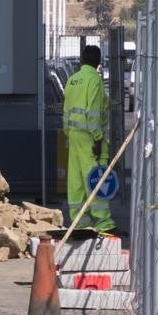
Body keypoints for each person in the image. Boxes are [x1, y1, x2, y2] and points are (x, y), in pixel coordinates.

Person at [63, 44, 115, 233]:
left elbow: (67, 109)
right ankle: (103, 221)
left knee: (76, 179)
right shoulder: (95, 80)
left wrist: (68, 132)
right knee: (95, 177)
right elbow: (93, 111)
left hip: (73, 134)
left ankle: (79, 221)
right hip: (89, 136)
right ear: (99, 62)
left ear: (82, 60)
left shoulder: (72, 80)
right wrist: (98, 139)